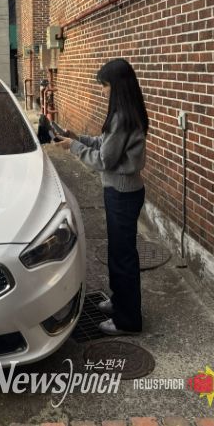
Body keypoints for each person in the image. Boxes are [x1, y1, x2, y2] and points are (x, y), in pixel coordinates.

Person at [54, 58, 148, 336]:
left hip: (122, 194)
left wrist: (73, 148)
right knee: (119, 252)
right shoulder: (127, 112)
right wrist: (77, 138)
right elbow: (106, 144)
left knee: (122, 257)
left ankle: (128, 321)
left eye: (105, 85)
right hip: (123, 192)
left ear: (117, 86)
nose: (103, 90)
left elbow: (105, 160)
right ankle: (120, 303)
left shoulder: (121, 117)